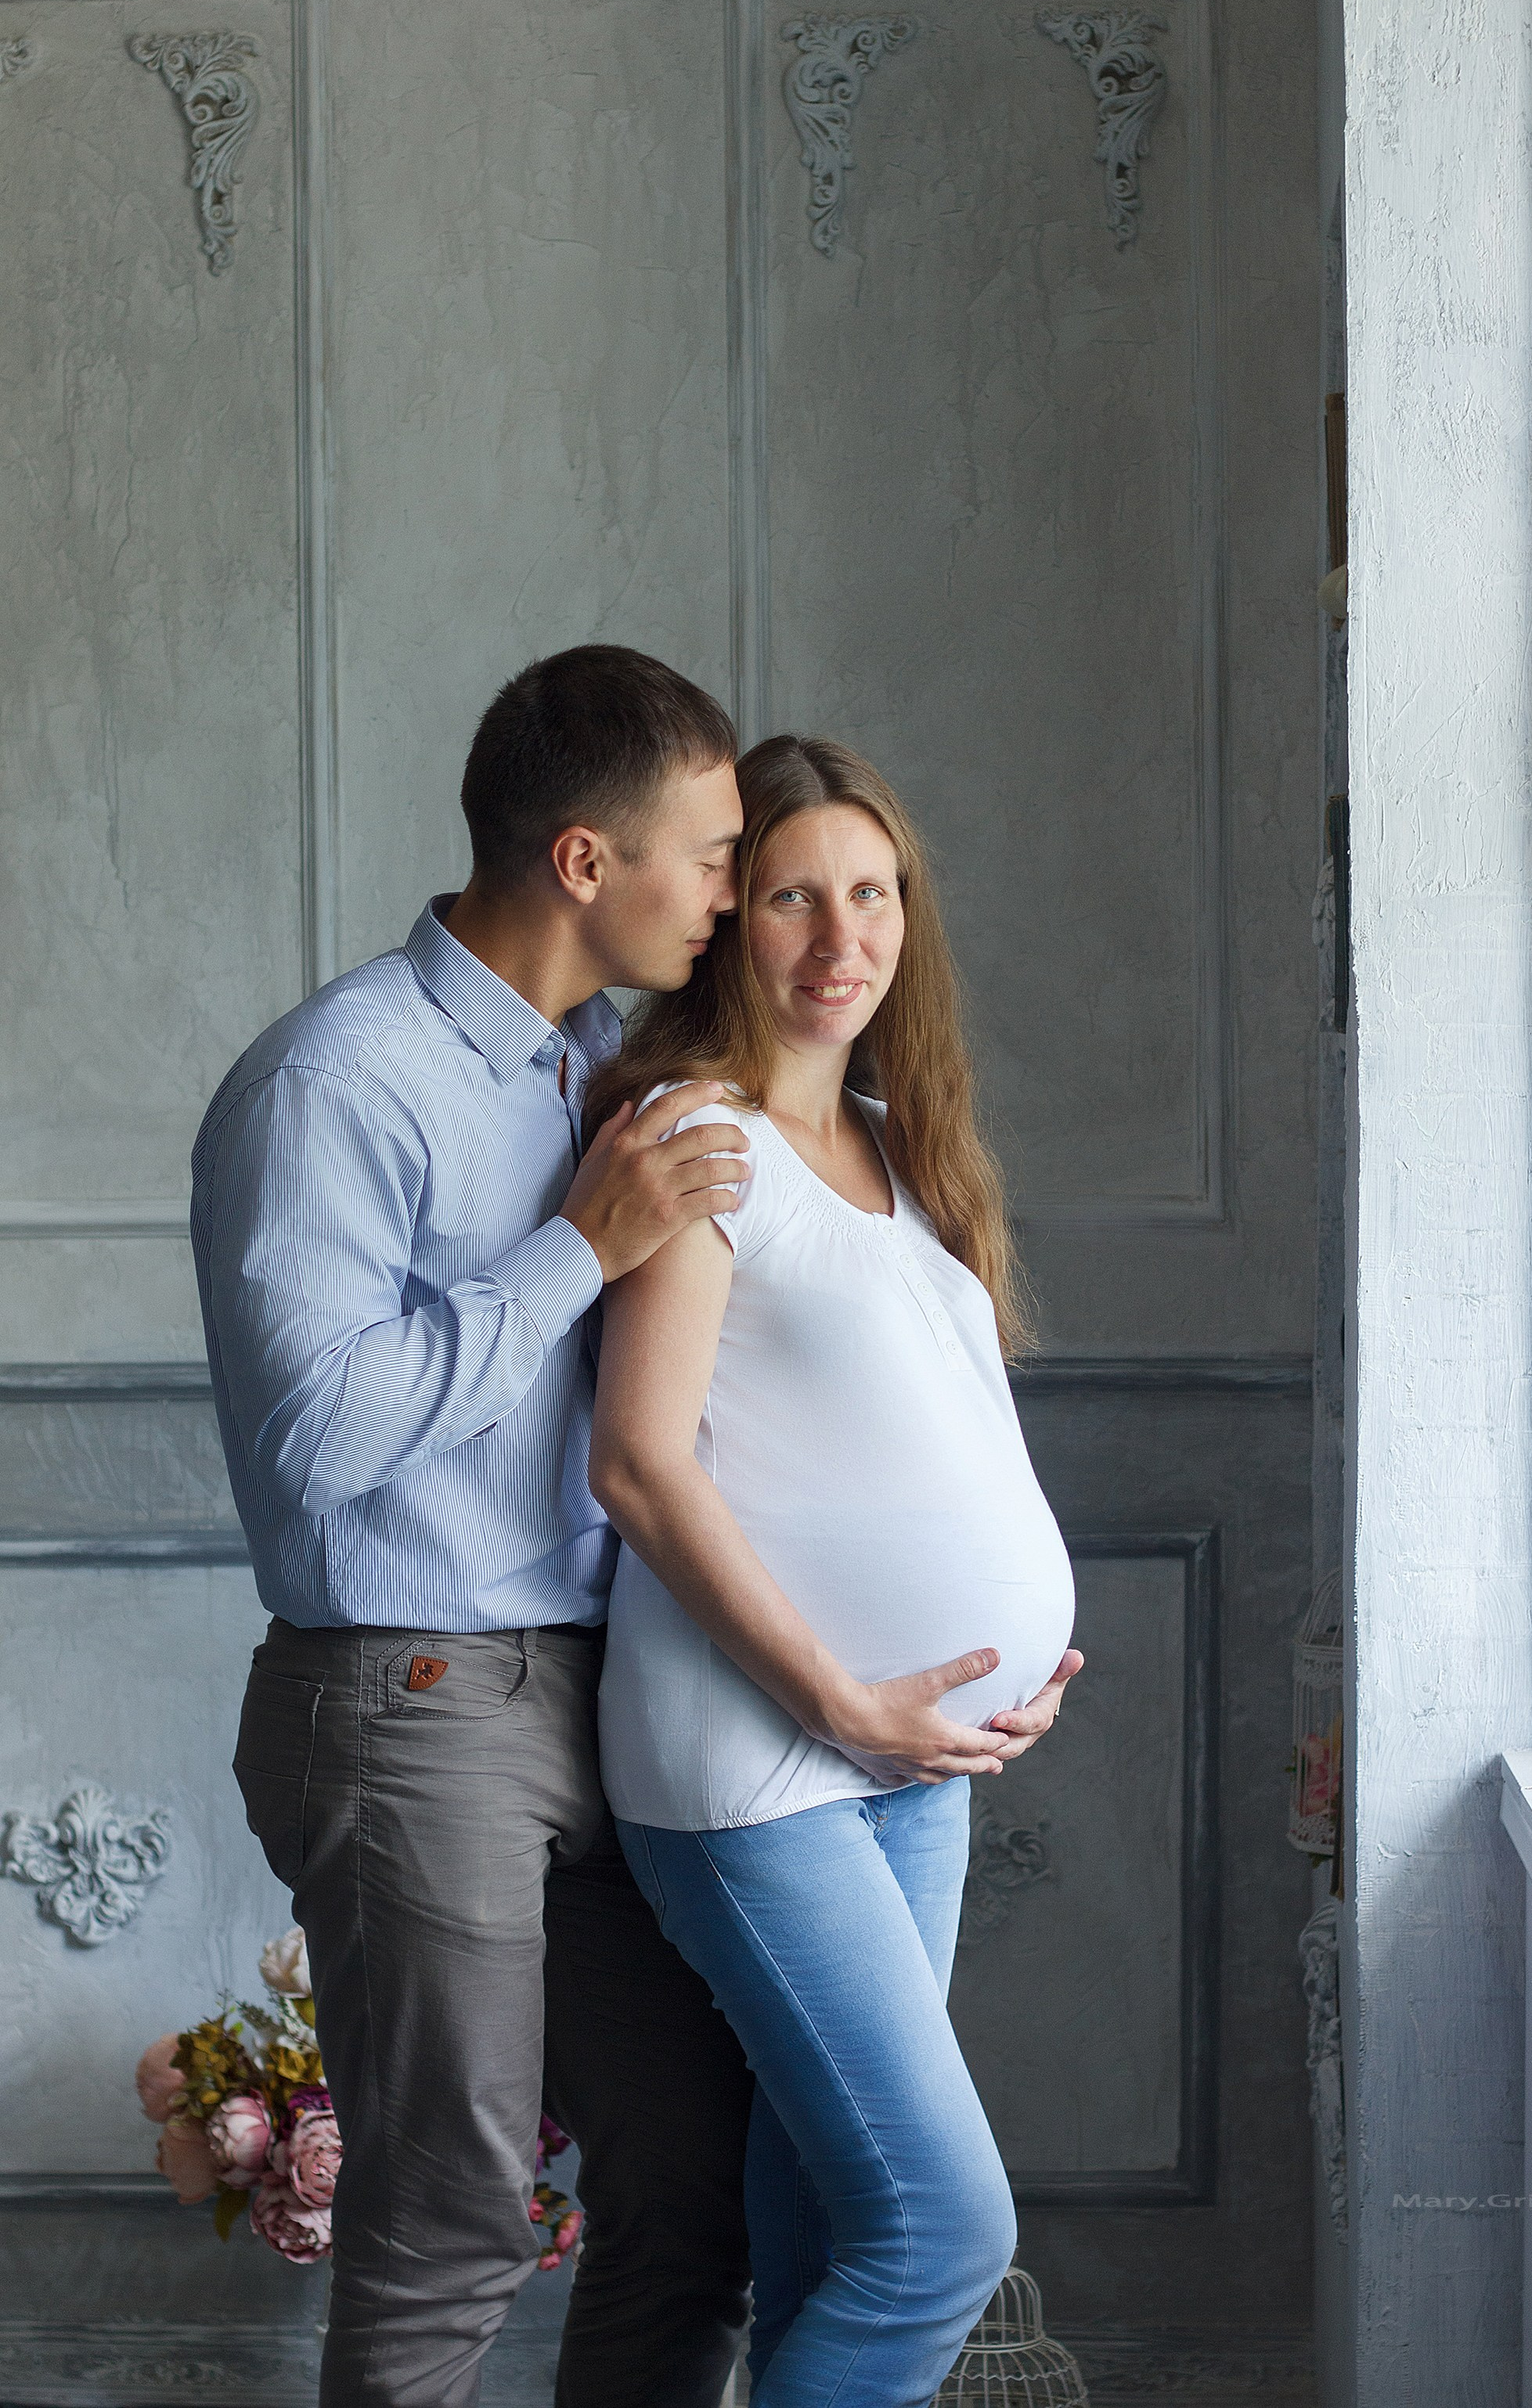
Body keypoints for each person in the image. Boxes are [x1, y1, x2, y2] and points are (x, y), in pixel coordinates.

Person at [192, 648, 1073, 2408]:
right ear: (588, 864)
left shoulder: (605, 1067)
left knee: (689, 2197)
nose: (744, 895)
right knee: (452, 2221)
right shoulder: (334, 1085)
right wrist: (572, 1253)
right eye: (722, 855)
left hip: (601, 1692)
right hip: (414, 1689)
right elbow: (319, 1438)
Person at [586, 733, 1082, 2408]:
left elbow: (927, 1443)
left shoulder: (891, 1139)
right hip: (761, 1765)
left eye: (869, 894)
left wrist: (1007, 1663)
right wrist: (845, 1696)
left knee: (826, 2232)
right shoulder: (700, 1136)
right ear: (730, 919)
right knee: (940, 2231)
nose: (837, 935)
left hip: (908, 1765)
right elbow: (637, 1465)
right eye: (792, 894)